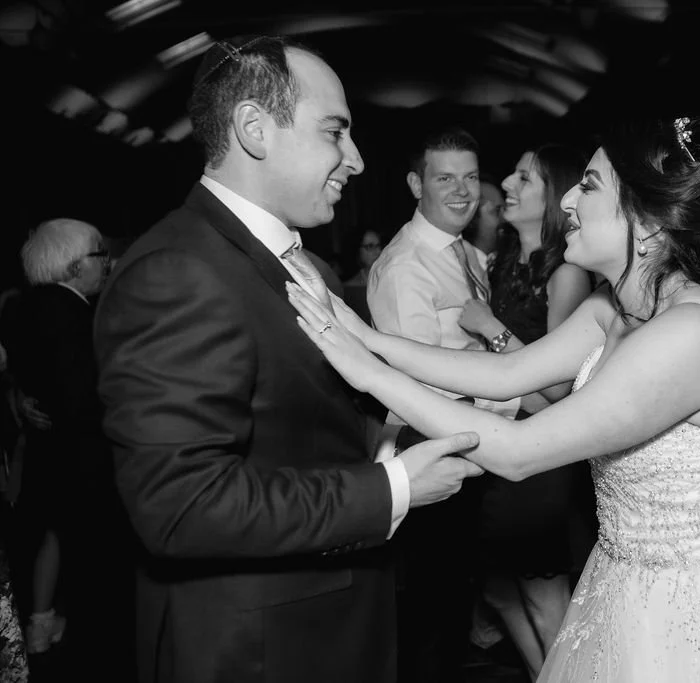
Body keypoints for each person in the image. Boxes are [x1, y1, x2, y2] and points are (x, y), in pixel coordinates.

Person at [289, 111, 700, 681]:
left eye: (587, 186)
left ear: (645, 221)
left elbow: (517, 450)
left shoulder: (691, 331)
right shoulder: (616, 307)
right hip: (626, 584)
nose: (566, 198)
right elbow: (505, 376)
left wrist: (366, 373)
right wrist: (367, 338)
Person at [92, 35, 482, 683]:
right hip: (257, 651)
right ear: (254, 128)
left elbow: (302, 423)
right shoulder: (177, 271)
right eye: (335, 132)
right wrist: (393, 486)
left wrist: (385, 437)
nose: (355, 160)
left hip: (329, 628)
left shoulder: (309, 266)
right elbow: (183, 505)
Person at [366, 127, 519, 683]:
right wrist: (519, 402)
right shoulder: (407, 266)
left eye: (471, 177)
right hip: (429, 450)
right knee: (430, 612)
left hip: (471, 449)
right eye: (444, 177)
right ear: (415, 184)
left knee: (453, 604)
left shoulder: (464, 254)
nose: (462, 191)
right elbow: (418, 384)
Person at [456, 143, 593, 680]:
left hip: (541, 459)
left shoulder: (566, 275)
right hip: (499, 448)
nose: (507, 185)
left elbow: (561, 394)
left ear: (553, 198)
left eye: (523, 179)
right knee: (498, 588)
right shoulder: (507, 264)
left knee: (542, 596)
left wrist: (491, 332)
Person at [8, 219, 135, 676]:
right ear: (75, 265)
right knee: (96, 573)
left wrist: (22, 401)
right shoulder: (72, 315)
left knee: (63, 549)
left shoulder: (25, 308)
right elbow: (79, 396)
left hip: (50, 455)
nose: (108, 263)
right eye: (101, 255)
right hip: (83, 463)